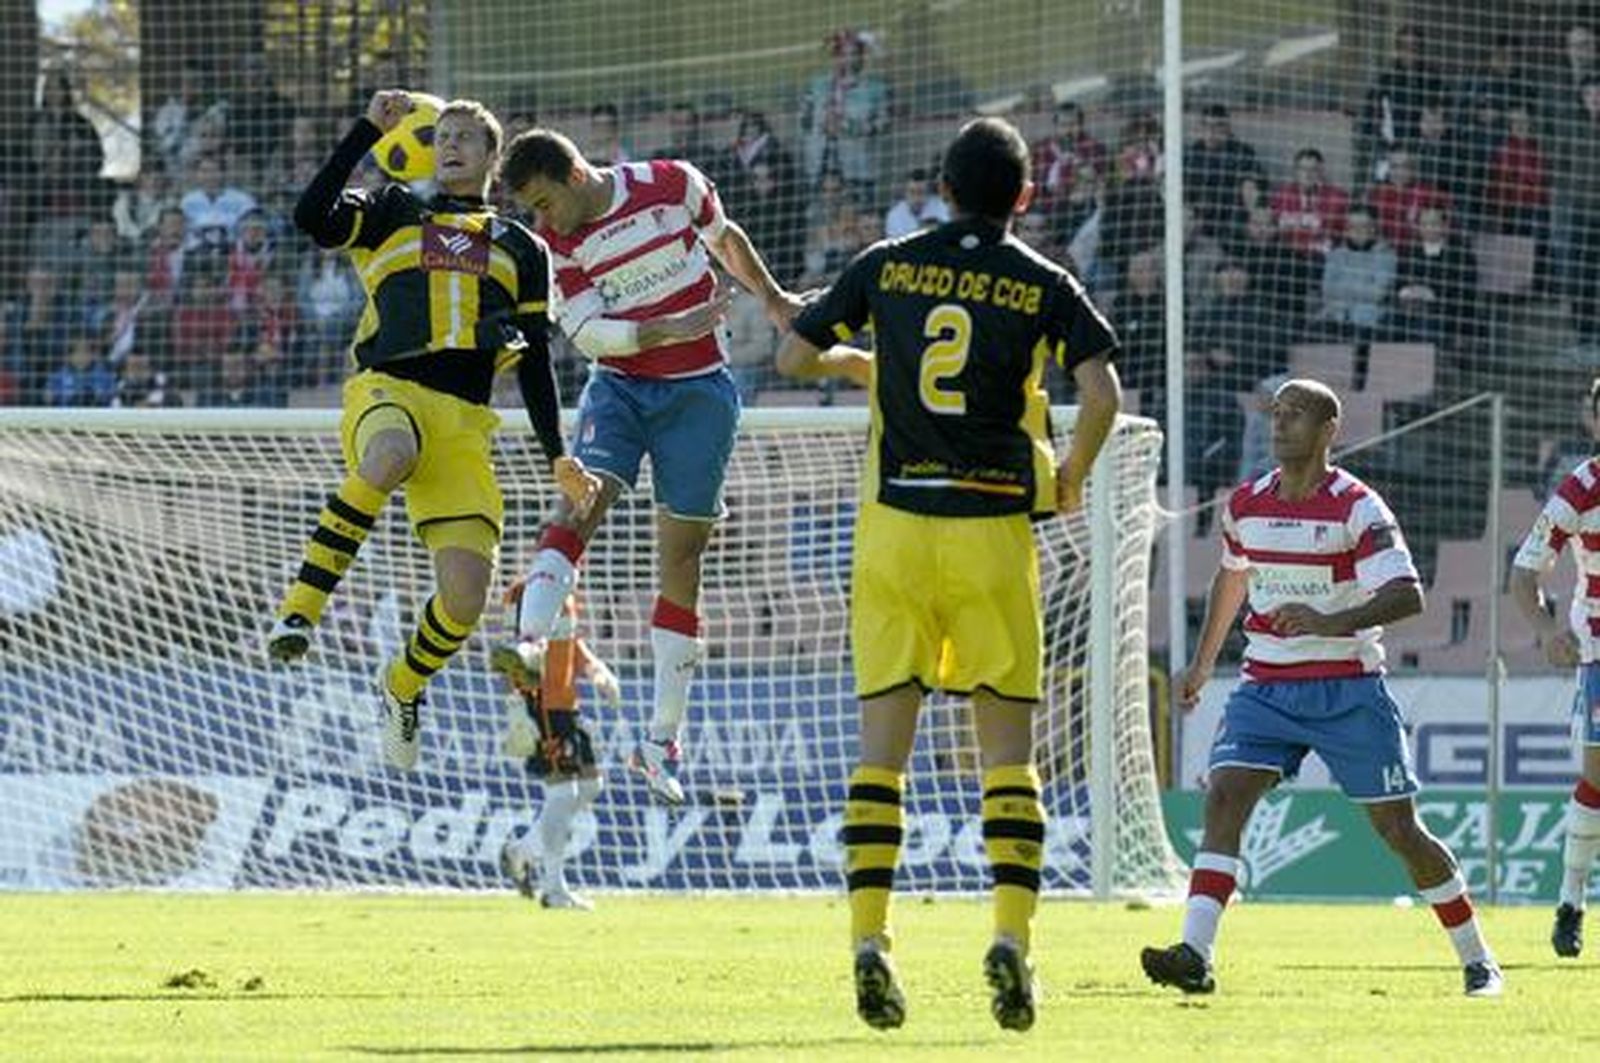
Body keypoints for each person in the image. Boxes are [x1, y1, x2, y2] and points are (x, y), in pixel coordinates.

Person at [774, 116, 1122, 1033]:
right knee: (1009, 758)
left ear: (940, 184)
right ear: (1025, 195)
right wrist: (1074, 478)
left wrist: (866, 360)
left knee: (880, 756)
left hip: (893, 533)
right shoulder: (1043, 280)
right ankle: (1011, 938)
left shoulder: (887, 262)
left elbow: (791, 355)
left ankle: (868, 941)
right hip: (993, 529)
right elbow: (1104, 394)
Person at [265, 91, 596, 771]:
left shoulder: (523, 248)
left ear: (492, 159)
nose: (449, 145)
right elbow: (309, 216)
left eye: (466, 138)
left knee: (466, 598)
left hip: (464, 426)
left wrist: (557, 453)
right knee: (389, 452)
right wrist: (364, 130)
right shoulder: (391, 210)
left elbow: (534, 361)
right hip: (388, 391)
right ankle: (298, 611)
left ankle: (402, 684)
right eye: (442, 134)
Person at [1143, 378, 1503, 998]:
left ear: (1329, 429)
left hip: (1346, 688)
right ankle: (1195, 954)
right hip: (1266, 685)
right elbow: (1235, 578)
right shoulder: (1247, 503)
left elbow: (1408, 594)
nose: (1280, 426)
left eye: (1296, 415)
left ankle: (1478, 959)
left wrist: (1331, 622)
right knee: (1224, 798)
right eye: (1276, 414)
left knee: (1399, 832)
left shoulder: (1359, 507)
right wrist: (1203, 665)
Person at [494, 128, 801, 806]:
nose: (542, 222)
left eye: (545, 202)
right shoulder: (559, 246)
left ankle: (660, 740)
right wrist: (665, 330)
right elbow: (588, 330)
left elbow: (726, 238)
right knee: (582, 498)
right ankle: (530, 644)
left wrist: (774, 300)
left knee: (684, 557)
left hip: (701, 393)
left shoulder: (673, 183)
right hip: (621, 387)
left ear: (575, 174)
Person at [1509, 376, 1600, 959]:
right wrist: (1546, 631)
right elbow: (1524, 574)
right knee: (1598, 779)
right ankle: (1570, 899)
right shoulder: (1580, 490)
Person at [499, 586, 621, 911]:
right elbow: (509, 650)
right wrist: (515, 706)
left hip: (567, 704)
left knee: (591, 785)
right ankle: (554, 889)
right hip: (540, 703)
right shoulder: (523, 592)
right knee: (563, 795)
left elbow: (572, 645)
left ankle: (521, 851)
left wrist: (597, 670)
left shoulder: (566, 592)